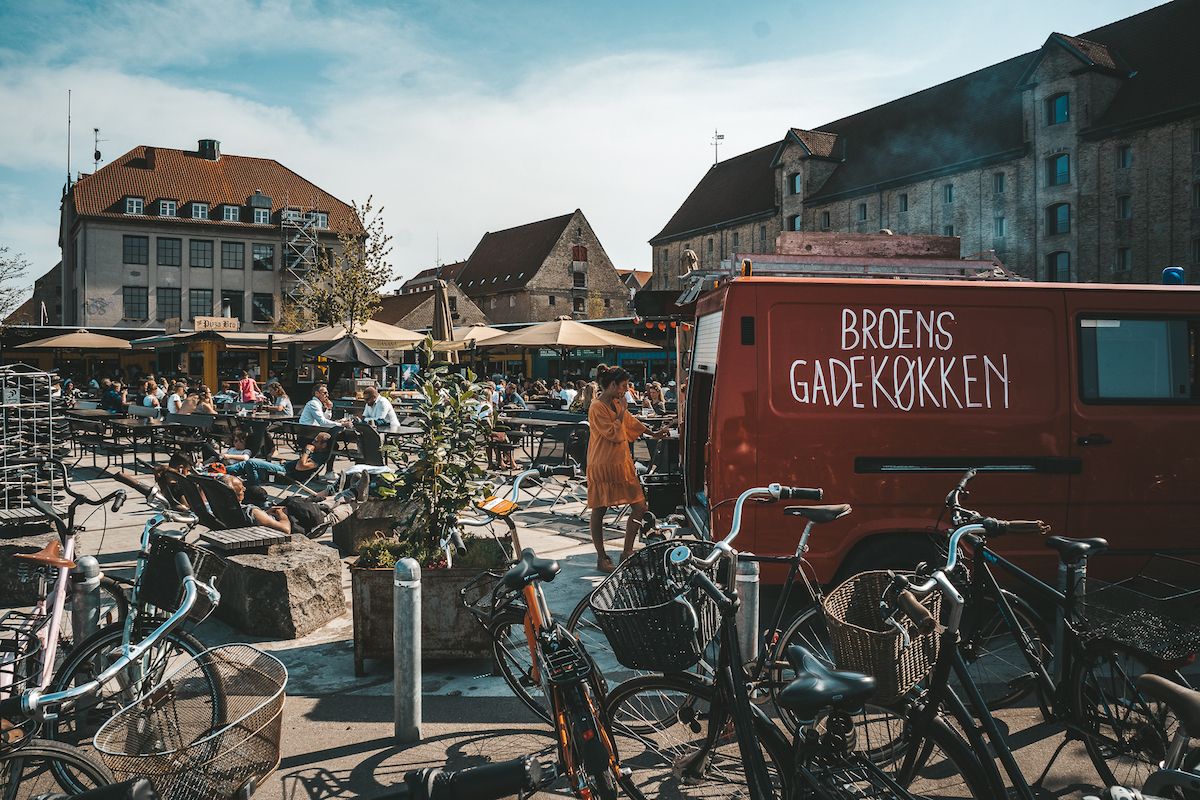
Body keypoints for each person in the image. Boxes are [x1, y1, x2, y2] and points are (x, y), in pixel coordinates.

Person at [586, 366, 670, 572]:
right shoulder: (597, 407)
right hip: (602, 464)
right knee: (599, 509)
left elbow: (632, 423)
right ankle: (601, 556)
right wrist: (622, 412)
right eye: (623, 386)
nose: (626, 390)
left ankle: (627, 552)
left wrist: (654, 433)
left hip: (621, 463)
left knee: (640, 507)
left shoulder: (616, 402)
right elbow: (612, 433)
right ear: (613, 385)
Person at [226, 431, 332, 486]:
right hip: (283, 467)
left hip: (285, 473)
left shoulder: (319, 459)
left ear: (324, 445)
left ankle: (254, 488)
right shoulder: (317, 452)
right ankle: (221, 471)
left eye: (316, 441)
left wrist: (307, 450)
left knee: (251, 463)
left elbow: (301, 466)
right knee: (245, 464)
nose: (312, 442)